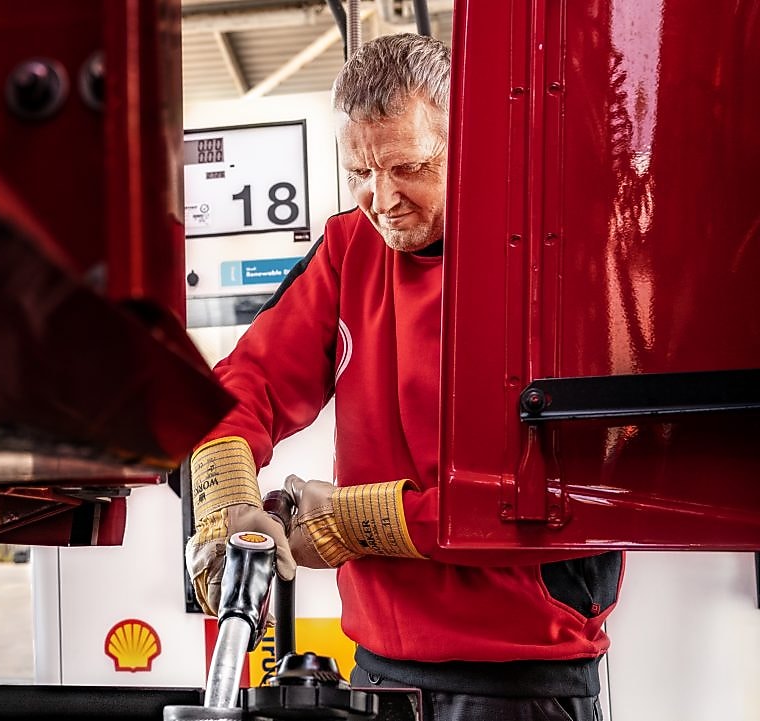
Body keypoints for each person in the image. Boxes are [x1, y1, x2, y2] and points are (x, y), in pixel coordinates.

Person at [184, 33, 621, 721]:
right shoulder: (347, 249)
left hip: (521, 683)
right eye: (358, 171)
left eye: (408, 166)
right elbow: (243, 386)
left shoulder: (556, 263)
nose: (381, 198)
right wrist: (223, 505)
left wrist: (352, 521)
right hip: (377, 671)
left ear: (469, 141)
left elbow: (561, 499)